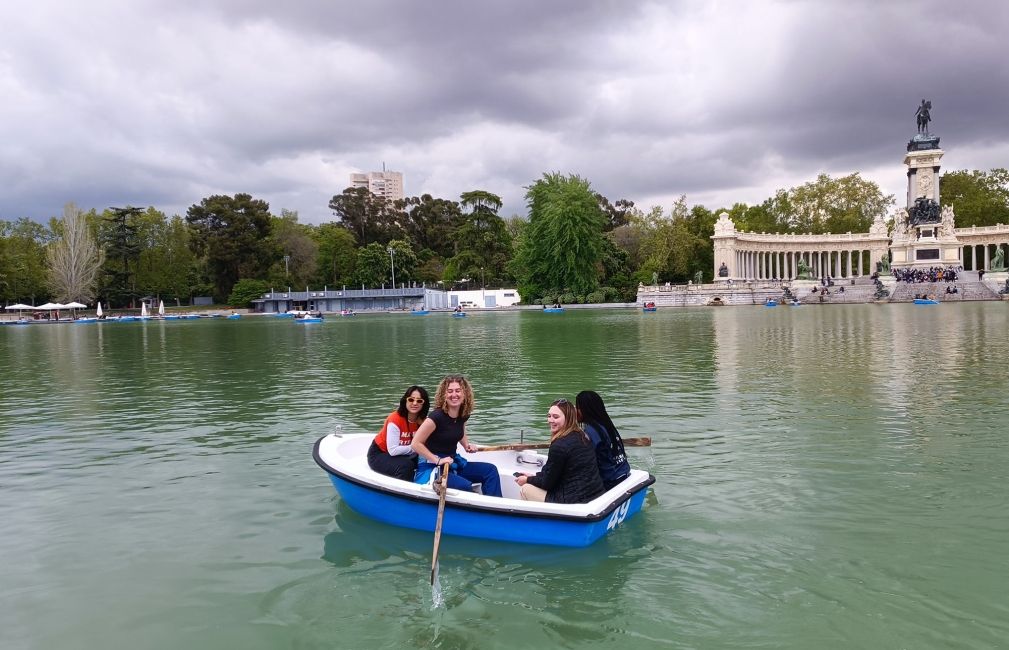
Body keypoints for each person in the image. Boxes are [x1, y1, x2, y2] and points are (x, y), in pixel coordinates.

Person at [411, 375, 502, 497]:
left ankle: (495, 506)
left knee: (490, 471)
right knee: (465, 487)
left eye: (458, 390)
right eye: (450, 391)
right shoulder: (436, 417)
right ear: (444, 395)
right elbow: (415, 443)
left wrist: (466, 445)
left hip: (452, 462)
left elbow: (460, 430)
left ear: (465, 393)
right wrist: (438, 460)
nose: (454, 395)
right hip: (433, 467)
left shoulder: (463, 414)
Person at [515, 399, 605, 503]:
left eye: (556, 417)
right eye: (549, 416)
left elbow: (547, 483)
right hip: (595, 494)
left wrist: (527, 480)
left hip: (572, 501)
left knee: (525, 489)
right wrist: (534, 477)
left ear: (568, 418)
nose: (550, 420)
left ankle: (533, 519)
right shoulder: (582, 436)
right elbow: (553, 473)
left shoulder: (559, 445)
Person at [367, 385, 429, 481]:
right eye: (411, 399)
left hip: (404, 454)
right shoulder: (395, 419)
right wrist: (417, 447)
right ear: (405, 400)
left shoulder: (423, 421)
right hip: (380, 454)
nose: (415, 403)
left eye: (419, 401)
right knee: (407, 466)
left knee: (427, 461)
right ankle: (403, 492)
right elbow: (393, 450)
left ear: (423, 404)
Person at [576, 390, 631, 491]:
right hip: (624, 472)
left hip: (610, 482)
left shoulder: (590, 432)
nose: (576, 411)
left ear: (585, 410)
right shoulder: (607, 425)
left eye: (578, 408)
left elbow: (585, 463)